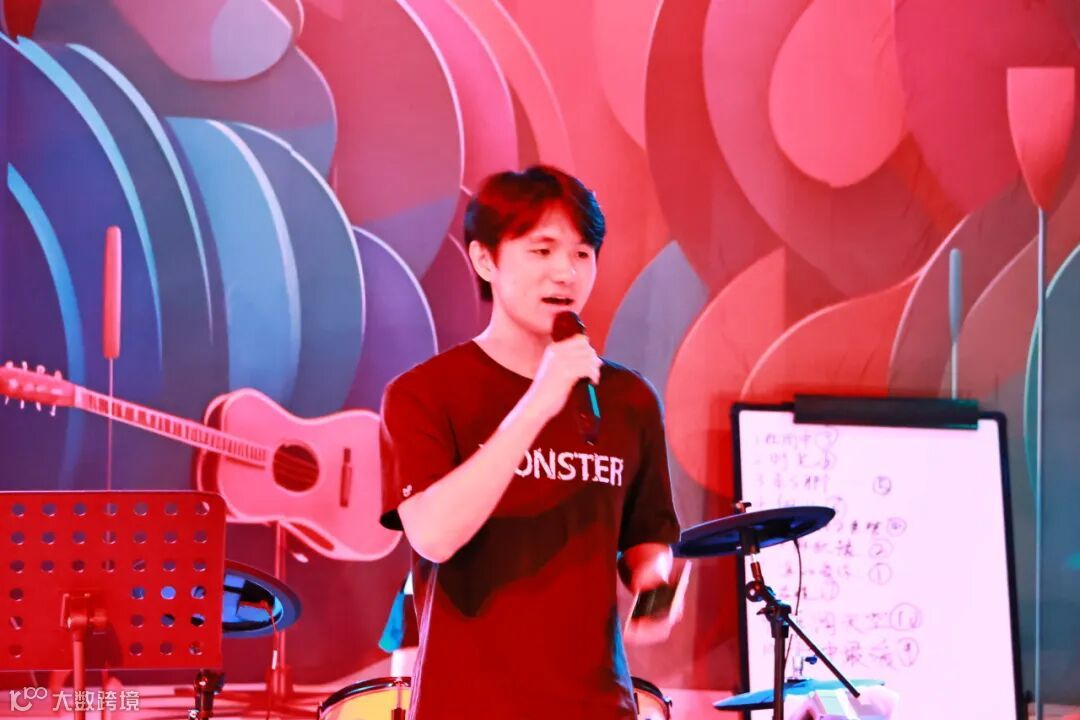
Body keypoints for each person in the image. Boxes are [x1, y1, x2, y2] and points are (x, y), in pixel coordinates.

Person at [378, 165, 682, 719]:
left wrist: (657, 589)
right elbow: (433, 537)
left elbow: (649, 538)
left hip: (598, 705)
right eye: (542, 251)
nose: (566, 272)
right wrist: (541, 398)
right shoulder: (425, 393)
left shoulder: (628, 399)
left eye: (582, 253)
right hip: (469, 705)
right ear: (485, 259)